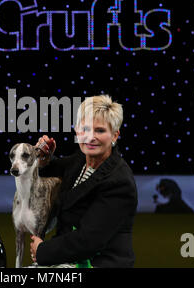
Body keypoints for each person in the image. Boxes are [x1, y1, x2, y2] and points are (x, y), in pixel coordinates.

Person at [29, 95, 138, 268]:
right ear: (77, 131)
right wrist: (43, 159)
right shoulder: (80, 159)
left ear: (115, 135)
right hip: (67, 261)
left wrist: (42, 250)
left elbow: (88, 240)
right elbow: (49, 171)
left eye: (100, 130)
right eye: (85, 129)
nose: (90, 137)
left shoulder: (120, 182)